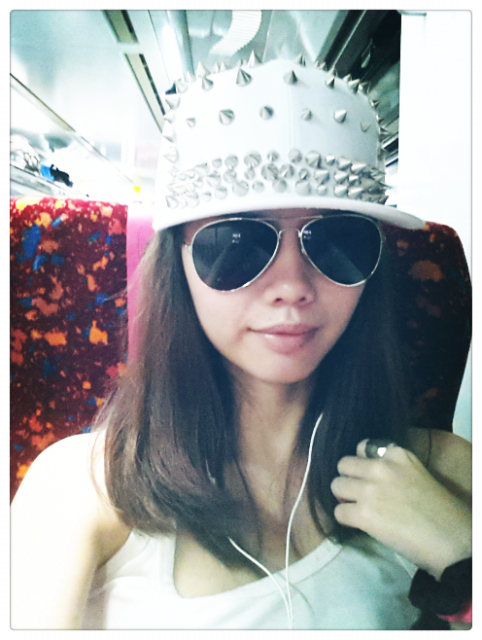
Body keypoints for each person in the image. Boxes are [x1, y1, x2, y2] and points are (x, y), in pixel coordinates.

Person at [11, 56, 471, 630]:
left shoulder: (446, 471)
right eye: (236, 244)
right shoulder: (81, 490)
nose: (292, 286)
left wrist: (462, 558)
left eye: (338, 242)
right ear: (178, 266)